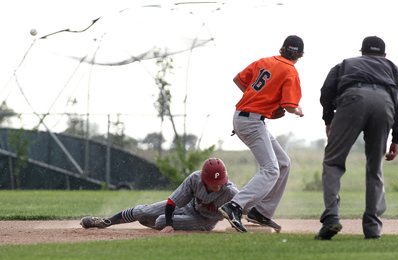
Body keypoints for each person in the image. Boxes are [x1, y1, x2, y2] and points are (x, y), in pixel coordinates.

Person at [316, 36, 398, 240]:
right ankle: (372, 227)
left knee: (333, 162)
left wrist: (329, 119)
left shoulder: (345, 64)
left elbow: (326, 92)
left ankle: (331, 218)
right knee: (375, 168)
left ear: (362, 51)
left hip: (352, 98)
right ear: (384, 55)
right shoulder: (393, 68)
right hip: (384, 103)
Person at [218, 35, 305, 233]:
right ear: (300, 55)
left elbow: (238, 80)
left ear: (282, 49)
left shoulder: (265, 61)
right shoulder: (290, 70)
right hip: (251, 122)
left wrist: (256, 99)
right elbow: (290, 106)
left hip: (246, 118)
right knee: (271, 169)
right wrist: (298, 110)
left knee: (283, 163)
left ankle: (261, 212)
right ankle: (234, 206)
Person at [80, 158, 238, 232]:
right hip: (188, 207)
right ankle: (105, 222)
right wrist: (171, 224)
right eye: (212, 182)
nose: (218, 185)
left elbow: (250, 209)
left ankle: (158, 224)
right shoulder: (195, 179)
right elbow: (172, 203)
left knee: (162, 220)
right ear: (204, 179)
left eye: (221, 181)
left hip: (203, 221)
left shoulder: (231, 192)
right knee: (143, 211)